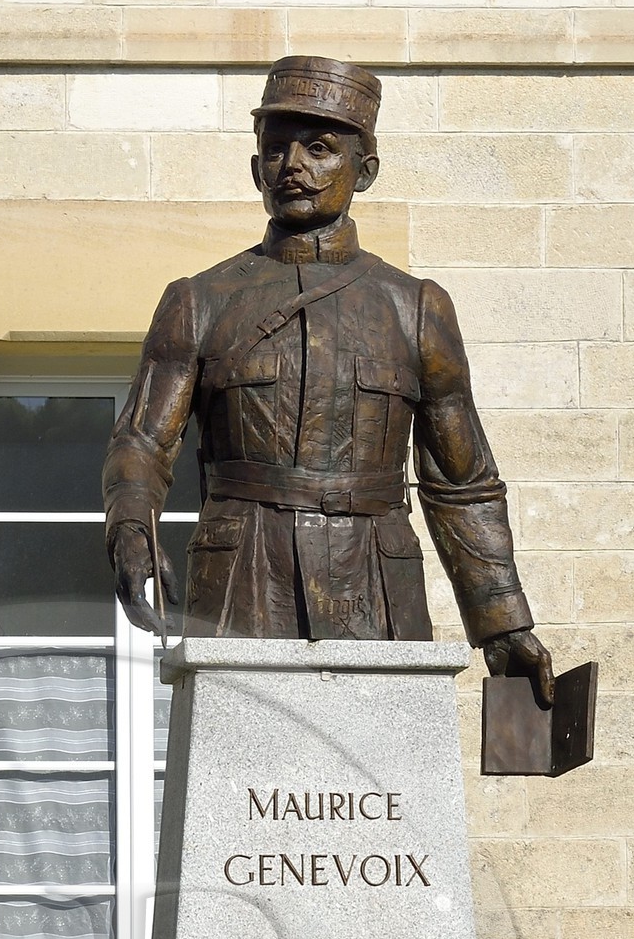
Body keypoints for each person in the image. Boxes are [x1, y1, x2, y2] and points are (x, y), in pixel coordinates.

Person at [103, 55, 555, 701]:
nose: (294, 167)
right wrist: (130, 528)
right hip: (241, 581)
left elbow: (462, 481)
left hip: (373, 578)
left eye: (319, 148)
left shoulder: (416, 307)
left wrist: (502, 622)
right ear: (256, 167)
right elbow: (142, 442)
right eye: (277, 149)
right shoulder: (200, 301)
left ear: (363, 171)